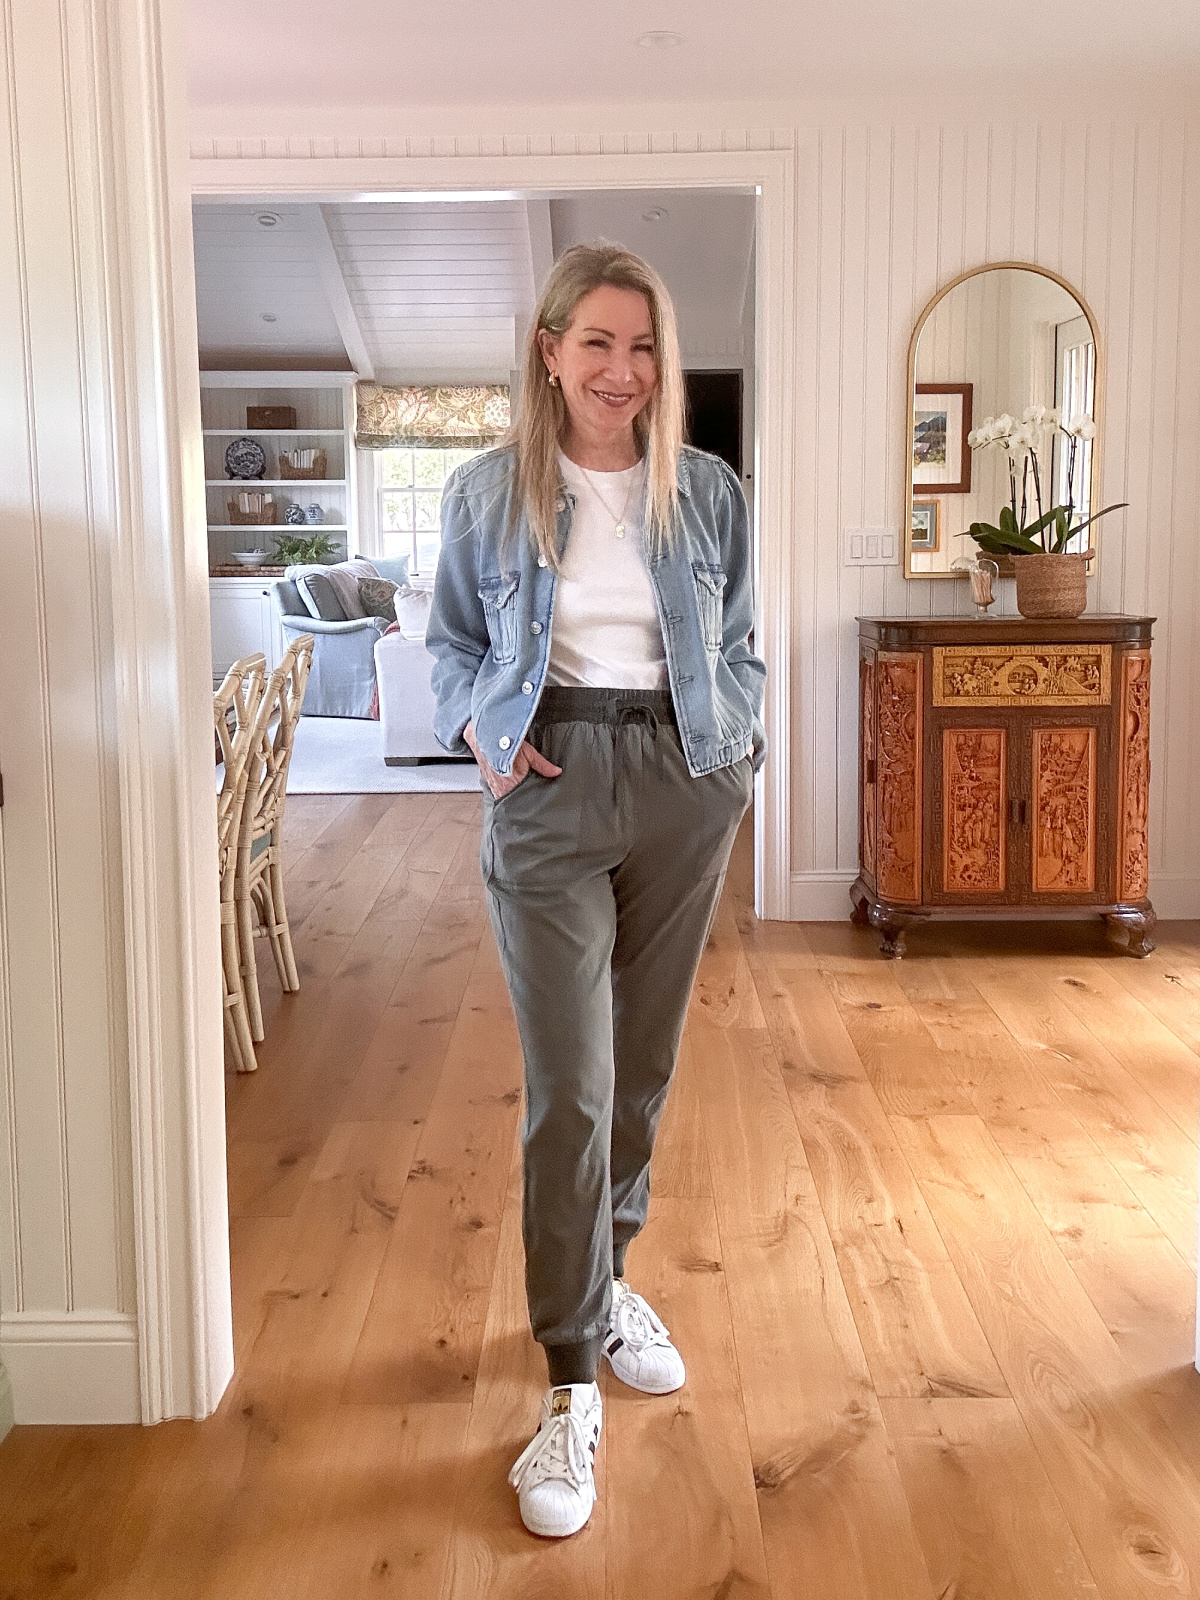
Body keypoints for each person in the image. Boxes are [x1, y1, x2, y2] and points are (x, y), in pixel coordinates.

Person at [426, 242, 766, 1539]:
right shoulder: (486, 492)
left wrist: (735, 755)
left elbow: (737, 644)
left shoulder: (709, 492)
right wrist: (480, 729)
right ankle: (570, 1378)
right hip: (551, 780)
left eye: (645, 347)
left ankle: (608, 1279)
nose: (623, 371)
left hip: (684, 778)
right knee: (570, 1082)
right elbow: (451, 640)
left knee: (643, 1068)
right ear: (550, 351)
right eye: (598, 344)